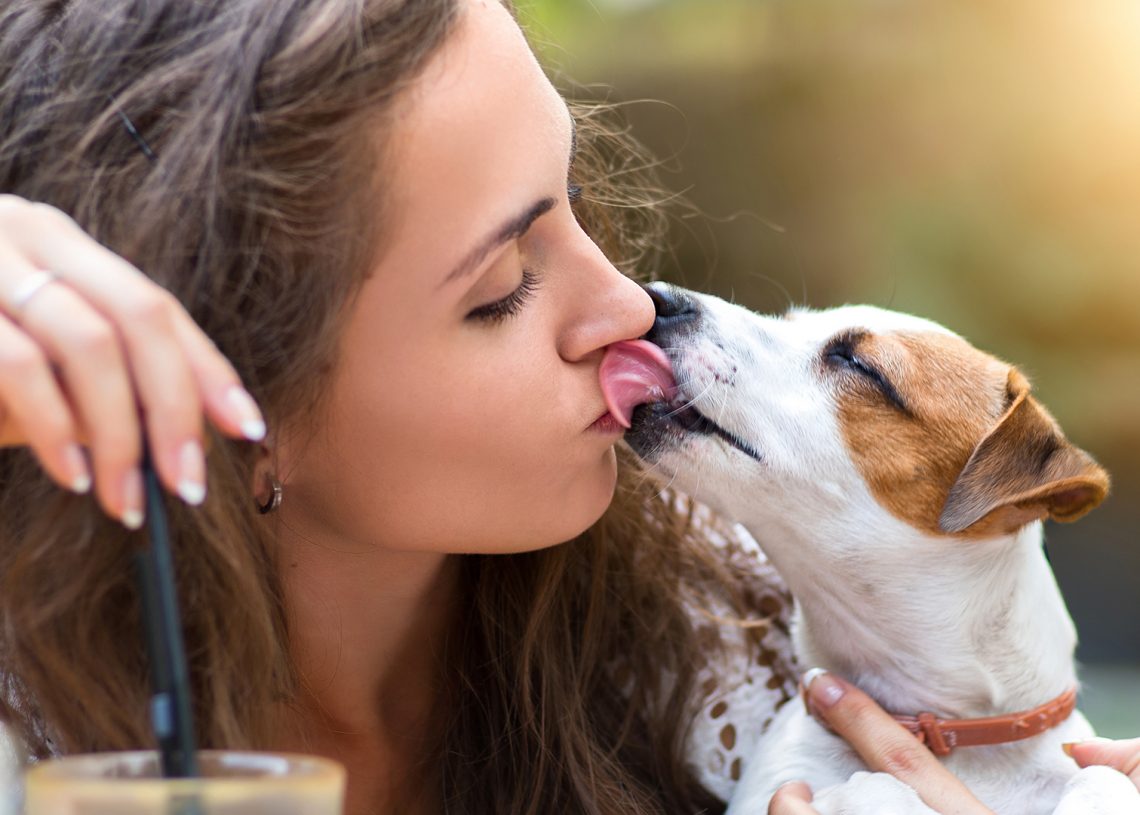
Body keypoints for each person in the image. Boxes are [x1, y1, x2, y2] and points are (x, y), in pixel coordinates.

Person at [0, 1, 1135, 813]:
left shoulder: (730, 632)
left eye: (577, 202)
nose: (632, 302)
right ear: (234, 397)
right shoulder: (32, 738)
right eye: (499, 289)